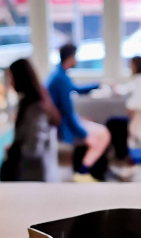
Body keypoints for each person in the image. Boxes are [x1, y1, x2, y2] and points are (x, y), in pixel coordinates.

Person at [46, 43, 111, 180]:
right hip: (64, 127)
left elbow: (76, 89)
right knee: (103, 135)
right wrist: (83, 133)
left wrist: (99, 84)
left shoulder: (60, 74)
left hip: (67, 122)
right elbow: (67, 113)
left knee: (99, 130)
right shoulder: (60, 79)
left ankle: (85, 171)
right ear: (70, 58)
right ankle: (83, 173)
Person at [0, 58, 61, 181]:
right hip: (34, 171)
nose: (10, 83)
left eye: (11, 78)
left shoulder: (36, 108)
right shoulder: (33, 101)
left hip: (34, 175)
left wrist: (14, 150)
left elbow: (34, 148)